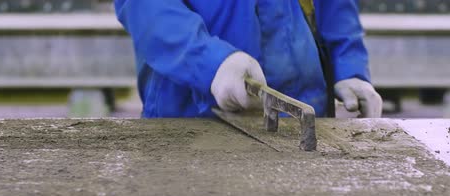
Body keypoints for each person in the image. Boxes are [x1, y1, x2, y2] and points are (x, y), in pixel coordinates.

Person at [114, 0, 382, 118]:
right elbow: (147, 6)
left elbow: (334, 6)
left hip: (305, 118)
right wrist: (211, 62)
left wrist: (348, 68)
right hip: (193, 116)